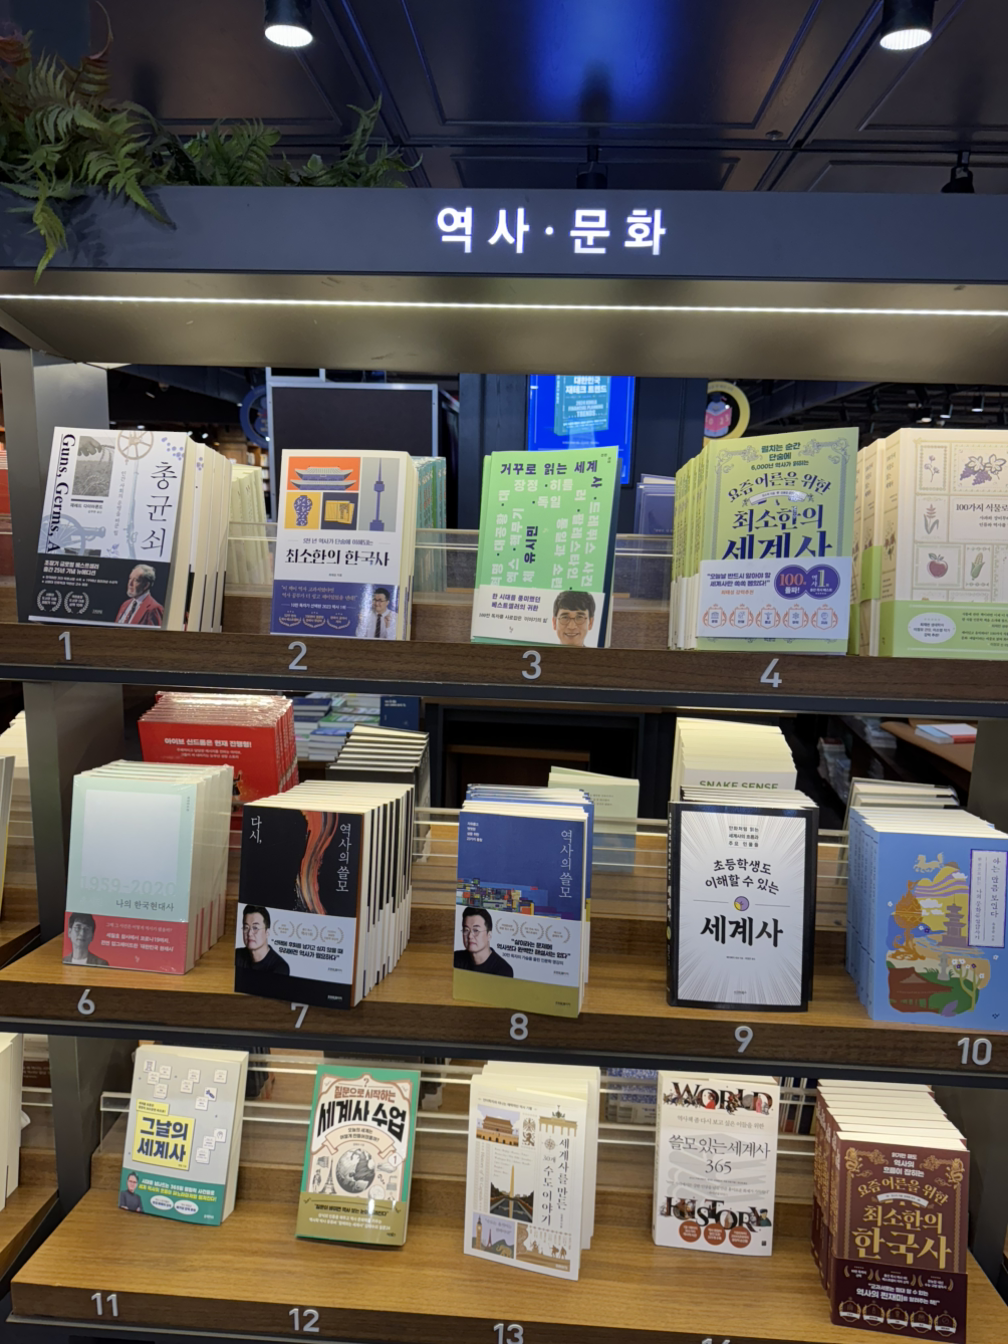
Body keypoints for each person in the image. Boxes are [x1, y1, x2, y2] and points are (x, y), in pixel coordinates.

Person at [453, 906, 513, 977]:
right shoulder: (455, 958)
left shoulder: (503, 970)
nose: (470, 936)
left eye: (476, 930)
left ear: (489, 935)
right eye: (466, 930)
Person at [234, 905, 290, 975]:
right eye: (246, 927)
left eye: (255, 928)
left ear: (267, 932)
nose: (249, 933)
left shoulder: (280, 967)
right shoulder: (236, 955)